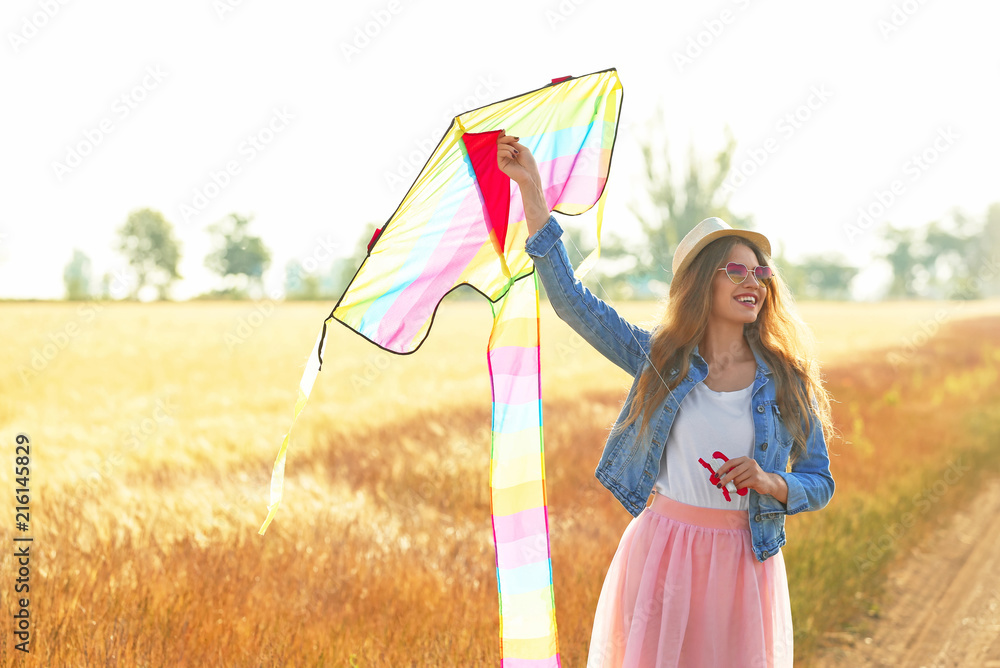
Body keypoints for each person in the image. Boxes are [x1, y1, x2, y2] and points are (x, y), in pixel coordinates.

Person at [496, 133, 837, 667]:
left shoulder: (786, 379)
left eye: (761, 273)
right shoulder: (660, 359)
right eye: (737, 271)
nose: (755, 283)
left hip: (746, 565)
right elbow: (571, 303)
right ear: (704, 283)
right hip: (663, 555)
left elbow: (820, 478)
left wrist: (771, 482)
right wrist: (532, 191)